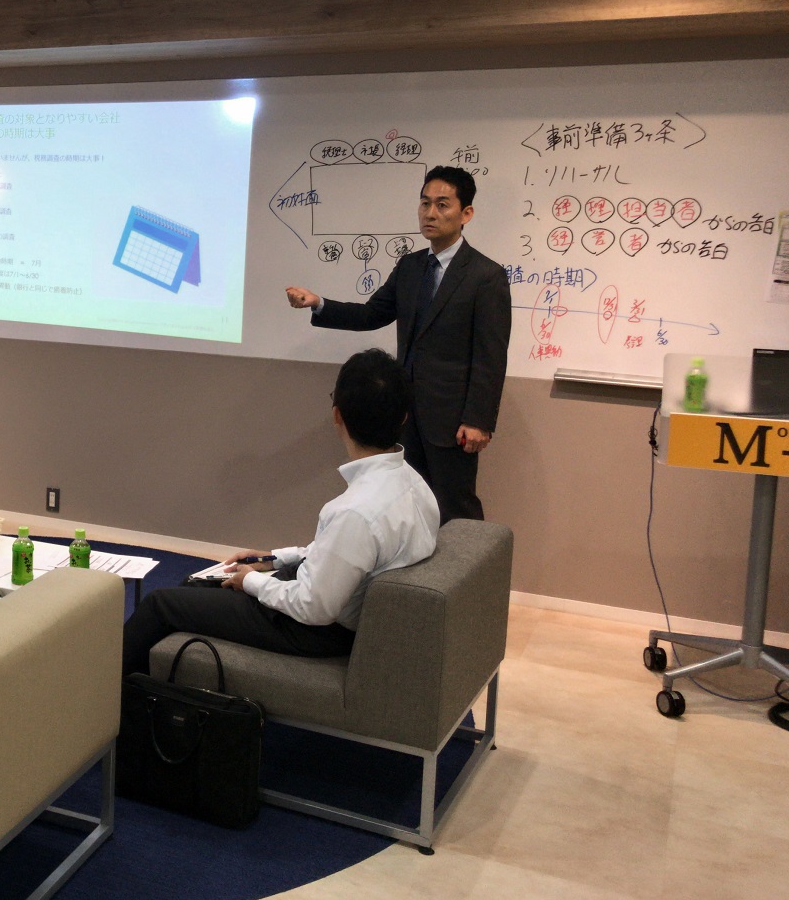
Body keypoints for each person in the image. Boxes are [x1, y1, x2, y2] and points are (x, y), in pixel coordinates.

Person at [122, 349, 438, 677]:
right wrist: (274, 559)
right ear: (404, 417)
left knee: (161, 604)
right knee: (195, 587)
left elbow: (313, 607)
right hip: (333, 606)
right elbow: (345, 555)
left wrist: (253, 581)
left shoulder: (355, 512)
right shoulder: (414, 484)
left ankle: (105, 694)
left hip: (313, 629)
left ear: (337, 416)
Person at [285, 165, 511, 522]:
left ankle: (471, 560)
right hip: (404, 413)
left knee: (456, 506)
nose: (430, 213)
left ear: (466, 213)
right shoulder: (410, 267)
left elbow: (491, 355)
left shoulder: (486, 275)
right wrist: (319, 303)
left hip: (452, 419)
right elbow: (371, 314)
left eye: (442, 205)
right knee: (407, 504)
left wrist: (478, 420)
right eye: (425, 203)